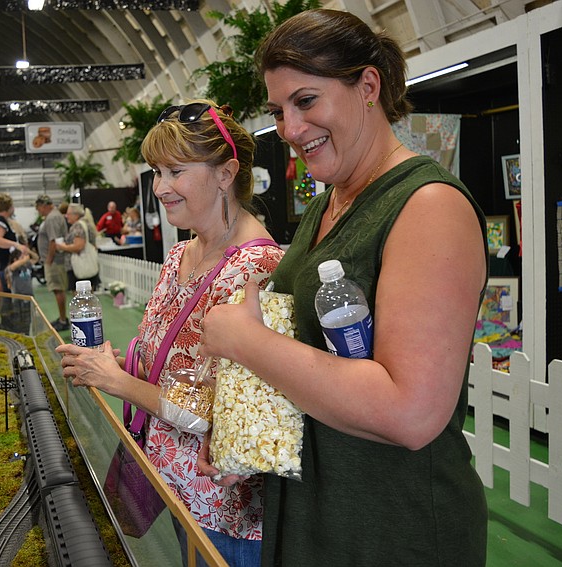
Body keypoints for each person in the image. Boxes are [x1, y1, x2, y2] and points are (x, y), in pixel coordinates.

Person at [196, 10, 489, 566]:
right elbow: (315, 363)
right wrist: (249, 427)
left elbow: (411, 412)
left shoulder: (428, 206)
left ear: (369, 87)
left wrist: (245, 342)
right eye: (279, 111)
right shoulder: (329, 203)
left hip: (392, 530)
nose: (289, 128)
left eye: (306, 101)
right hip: (318, 516)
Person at [56, 99, 285, 566]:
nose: (160, 187)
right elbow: (176, 365)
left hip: (223, 511)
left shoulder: (255, 270)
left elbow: (226, 415)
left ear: (225, 174)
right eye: (156, 172)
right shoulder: (182, 254)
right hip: (172, 482)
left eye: (174, 171)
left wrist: (113, 380)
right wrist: (123, 363)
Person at [35, 194, 70, 331]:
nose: (39, 212)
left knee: (58, 289)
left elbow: (53, 241)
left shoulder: (52, 218)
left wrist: (49, 260)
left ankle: (63, 320)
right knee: (57, 289)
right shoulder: (53, 216)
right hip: (54, 260)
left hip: (55, 261)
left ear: (44, 206)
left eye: (39, 208)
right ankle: (62, 317)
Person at [56, 203, 101, 291]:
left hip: (79, 267)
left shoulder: (78, 226)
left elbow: (79, 246)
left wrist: (63, 247)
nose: (66, 216)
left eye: (68, 214)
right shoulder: (86, 224)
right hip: (88, 265)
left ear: (75, 215)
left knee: (81, 298)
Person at [0, 192, 29, 294]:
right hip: (4, 267)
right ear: (10, 207)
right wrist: (17, 245)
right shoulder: (0, 222)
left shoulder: (3, 221)